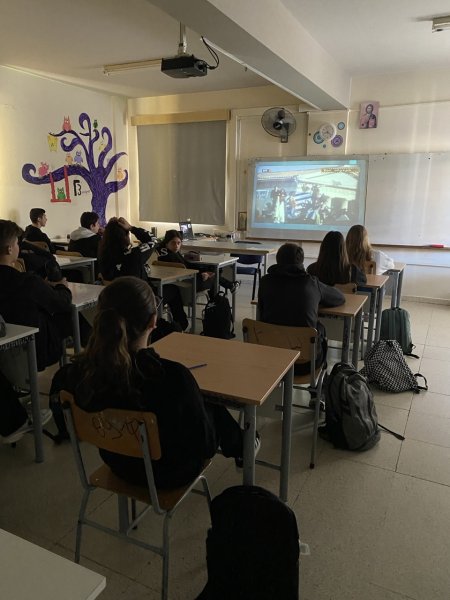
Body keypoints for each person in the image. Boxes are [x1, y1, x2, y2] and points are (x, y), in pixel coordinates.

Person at [55, 277, 252, 488]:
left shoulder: (76, 373)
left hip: (118, 464)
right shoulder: (172, 377)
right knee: (206, 403)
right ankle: (243, 445)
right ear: (153, 322)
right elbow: (205, 447)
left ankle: (240, 442)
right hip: (170, 475)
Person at [258, 243, 345, 374]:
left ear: (277, 259)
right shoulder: (311, 283)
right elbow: (339, 298)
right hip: (306, 363)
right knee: (320, 328)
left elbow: (261, 311)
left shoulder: (265, 282)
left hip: (271, 358)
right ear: (301, 261)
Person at [0, 219, 73, 371]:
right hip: (35, 351)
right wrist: (62, 287)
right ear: (9, 249)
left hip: (6, 354)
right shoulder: (26, 282)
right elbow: (62, 302)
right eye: (17, 243)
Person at [98, 218, 189, 330]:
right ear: (125, 237)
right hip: (142, 301)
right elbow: (153, 239)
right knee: (173, 290)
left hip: (117, 303)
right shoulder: (134, 255)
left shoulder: (102, 257)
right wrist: (132, 228)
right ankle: (182, 325)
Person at [157, 229, 239, 294]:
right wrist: (201, 274)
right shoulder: (170, 256)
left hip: (187, 279)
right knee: (213, 276)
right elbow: (185, 269)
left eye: (179, 243)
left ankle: (228, 287)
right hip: (188, 282)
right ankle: (218, 299)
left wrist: (204, 271)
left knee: (212, 270)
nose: (176, 246)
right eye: (173, 243)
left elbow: (187, 265)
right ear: (166, 243)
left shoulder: (169, 252)